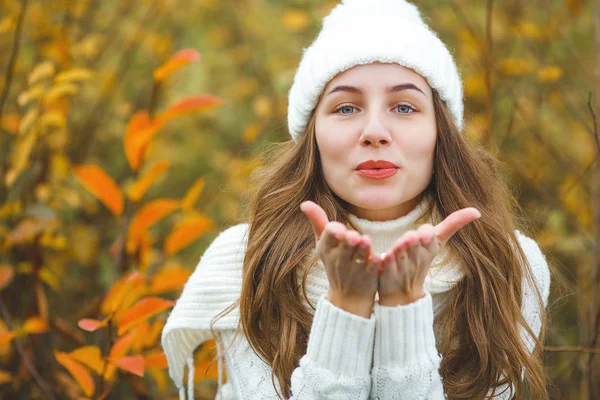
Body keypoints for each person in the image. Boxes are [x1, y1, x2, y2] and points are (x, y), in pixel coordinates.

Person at [161, 0, 552, 399]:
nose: (375, 132)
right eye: (346, 107)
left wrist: (402, 304)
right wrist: (346, 306)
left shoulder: (508, 265)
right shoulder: (247, 259)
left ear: (441, 133)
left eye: (404, 107)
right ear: (313, 135)